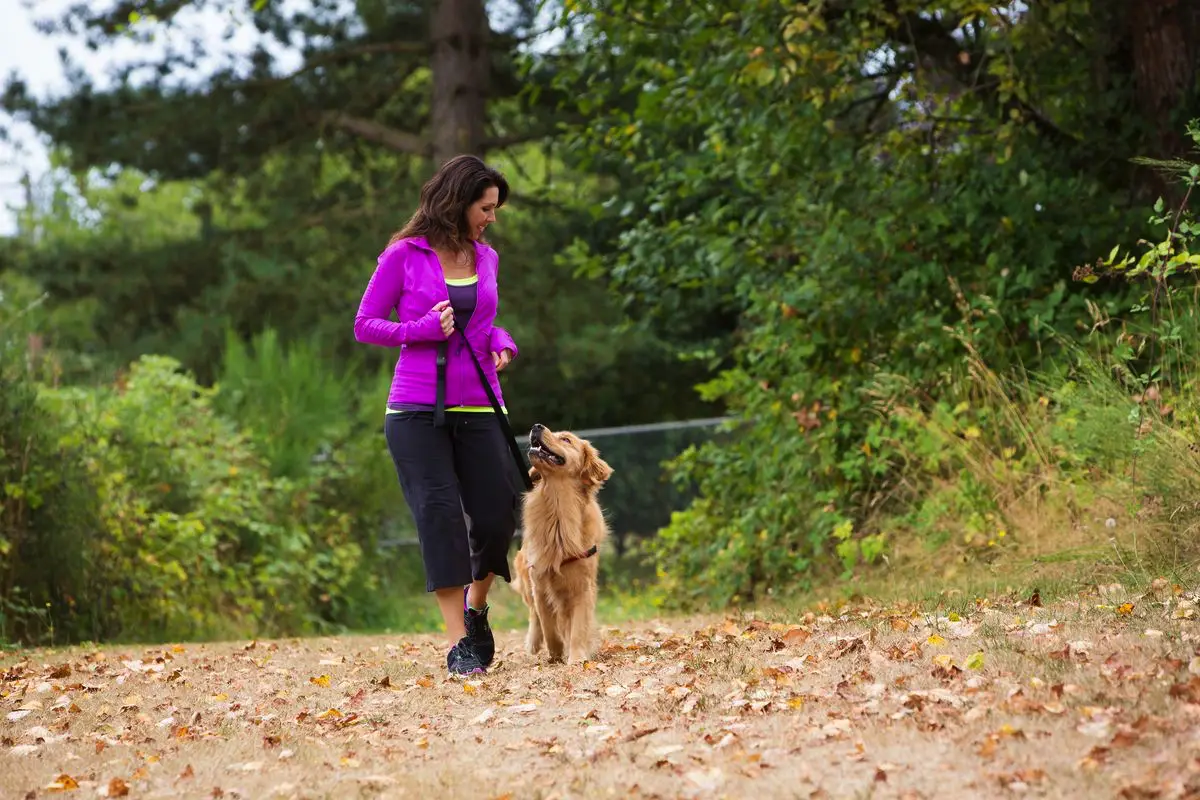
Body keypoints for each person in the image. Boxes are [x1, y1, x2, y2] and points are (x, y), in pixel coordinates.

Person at [353, 154, 520, 676]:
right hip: (416, 408)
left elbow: (482, 321)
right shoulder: (404, 255)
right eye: (485, 207)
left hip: (481, 402)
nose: (491, 217)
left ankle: (476, 607)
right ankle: (459, 645)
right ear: (458, 201)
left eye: (494, 208)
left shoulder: (486, 257)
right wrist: (417, 330)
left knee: (497, 514)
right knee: (440, 515)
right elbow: (365, 323)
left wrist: (502, 339)